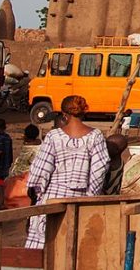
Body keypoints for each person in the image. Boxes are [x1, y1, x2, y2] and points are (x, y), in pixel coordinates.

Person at [24, 95, 110, 249]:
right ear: (83, 112)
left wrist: (38, 193)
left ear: (64, 115)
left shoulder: (53, 136)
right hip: (80, 201)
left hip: (52, 200)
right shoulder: (96, 136)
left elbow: (40, 171)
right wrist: (90, 197)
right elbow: (99, 171)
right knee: (74, 246)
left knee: (45, 247)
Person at [3, 124, 41, 210]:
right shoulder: (40, 145)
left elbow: (19, 166)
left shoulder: (28, 149)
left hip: (23, 177)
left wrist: (10, 177)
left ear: (26, 136)